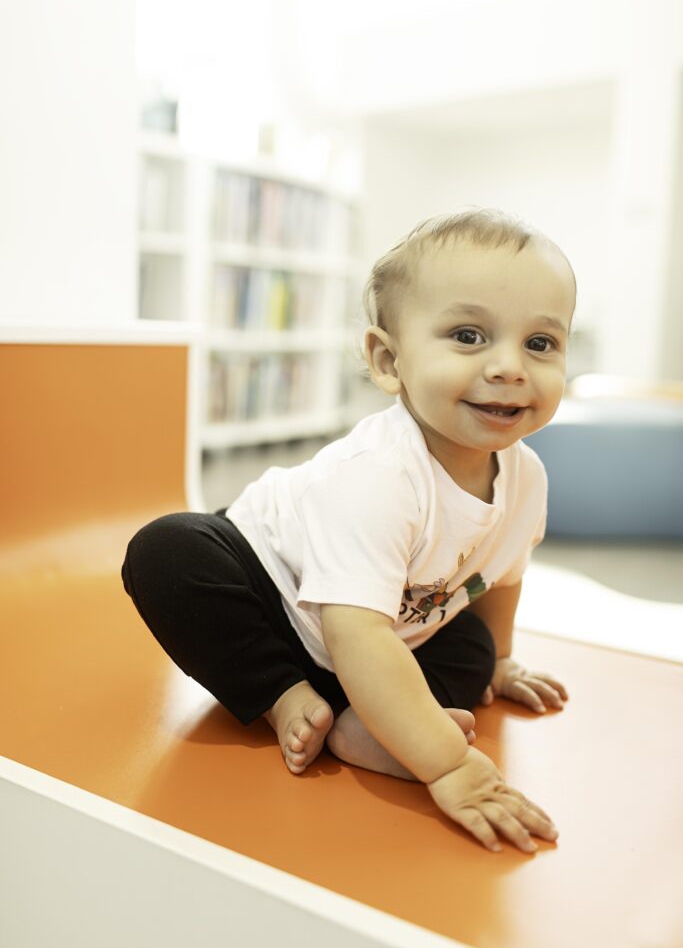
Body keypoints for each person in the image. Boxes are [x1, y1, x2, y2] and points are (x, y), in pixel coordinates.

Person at [122, 207, 574, 854]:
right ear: (388, 360)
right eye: (469, 337)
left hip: (384, 635)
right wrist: (447, 765)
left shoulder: (525, 478)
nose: (509, 367)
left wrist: (498, 662)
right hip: (275, 591)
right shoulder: (379, 475)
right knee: (166, 553)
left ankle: (362, 724)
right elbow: (353, 631)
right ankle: (283, 694)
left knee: (469, 646)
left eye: (539, 343)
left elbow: (499, 579)